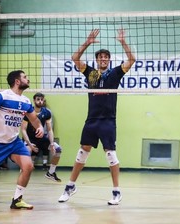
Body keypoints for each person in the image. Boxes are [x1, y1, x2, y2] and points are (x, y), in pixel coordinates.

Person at [58, 28, 135, 205]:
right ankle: (70, 187)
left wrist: (123, 41)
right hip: (91, 120)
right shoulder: (91, 73)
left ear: (109, 60)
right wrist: (87, 42)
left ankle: (116, 192)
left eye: (105, 57)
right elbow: (75, 58)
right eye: (100, 57)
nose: (103, 59)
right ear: (97, 60)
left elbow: (132, 60)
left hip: (108, 121)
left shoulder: (115, 73)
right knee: (81, 154)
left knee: (111, 155)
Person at [0, 70, 45, 209]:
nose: (28, 79)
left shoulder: (25, 101)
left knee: (28, 166)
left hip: (13, 142)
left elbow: (34, 119)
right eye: (25, 77)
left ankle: (17, 200)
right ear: (17, 81)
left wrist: (40, 127)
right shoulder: (2, 96)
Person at [21, 92, 62, 182]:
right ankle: (22, 173)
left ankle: (51, 172)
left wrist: (51, 143)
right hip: (30, 139)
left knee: (58, 149)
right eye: (38, 99)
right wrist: (29, 144)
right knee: (27, 152)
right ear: (34, 100)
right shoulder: (28, 112)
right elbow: (23, 130)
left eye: (41, 99)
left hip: (41, 138)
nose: (40, 101)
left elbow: (50, 130)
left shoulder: (46, 113)